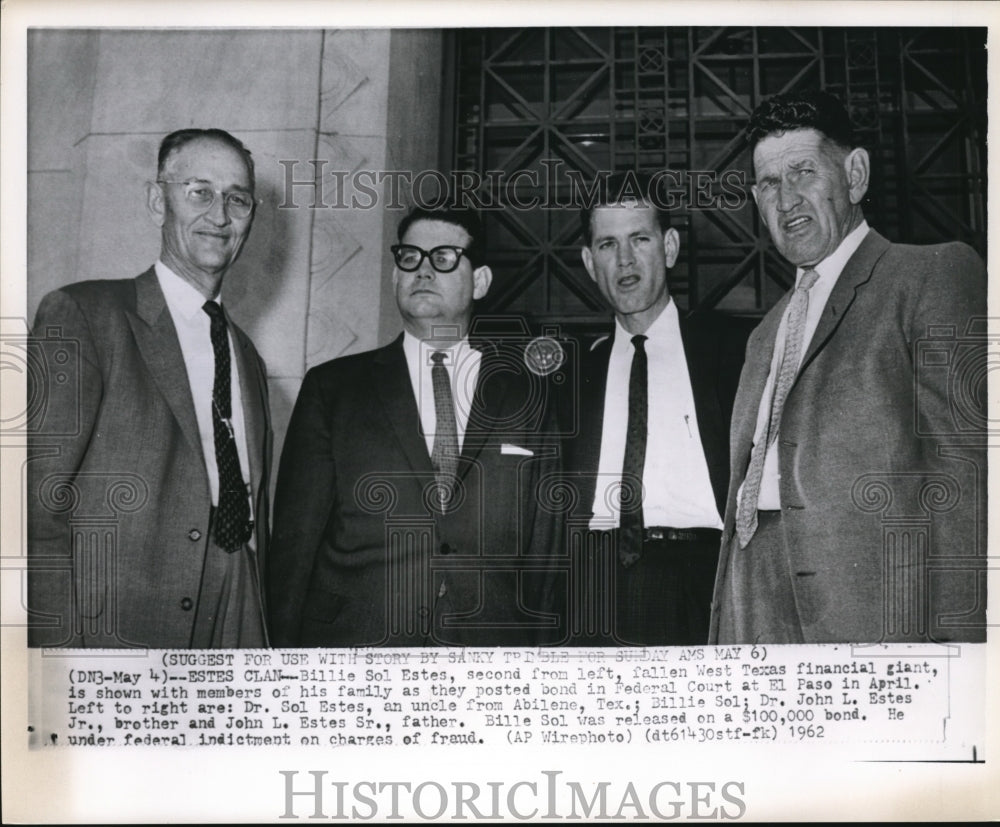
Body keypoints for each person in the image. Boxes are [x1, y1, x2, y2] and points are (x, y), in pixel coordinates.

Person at [709, 90, 987, 644]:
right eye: (768, 184)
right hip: (751, 598)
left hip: (871, 610)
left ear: (855, 174)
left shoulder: (931, 276)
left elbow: (969, 482)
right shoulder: (764, 334)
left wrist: (965, 649)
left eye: (804, 171)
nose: (786, 199)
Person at [268, 206, 560, 647]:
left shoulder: (527, 395)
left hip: (490, 653)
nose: (423, 269)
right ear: (393, 277)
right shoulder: (333, 389)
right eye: (409, 257)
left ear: (479, 281)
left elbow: (547, 550)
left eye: (443, 257)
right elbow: (294, 544)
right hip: (356, 650)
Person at [27, 128, 271, 649]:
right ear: (158, 201)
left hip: (236, 601)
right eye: (199, 192)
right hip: (117, 618)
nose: (220, 216)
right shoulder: (85, 315)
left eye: (238, 199)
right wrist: (53, 653)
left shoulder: (246, 353)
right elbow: (32, 504)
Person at [557, 171, 747, 645]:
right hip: (589, 588)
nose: (624, 259)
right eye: (607, 245)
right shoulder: (570, 377)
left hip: (702, 580)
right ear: (588, 260)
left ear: (669, 247)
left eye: (640, 238)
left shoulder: (735, 352)